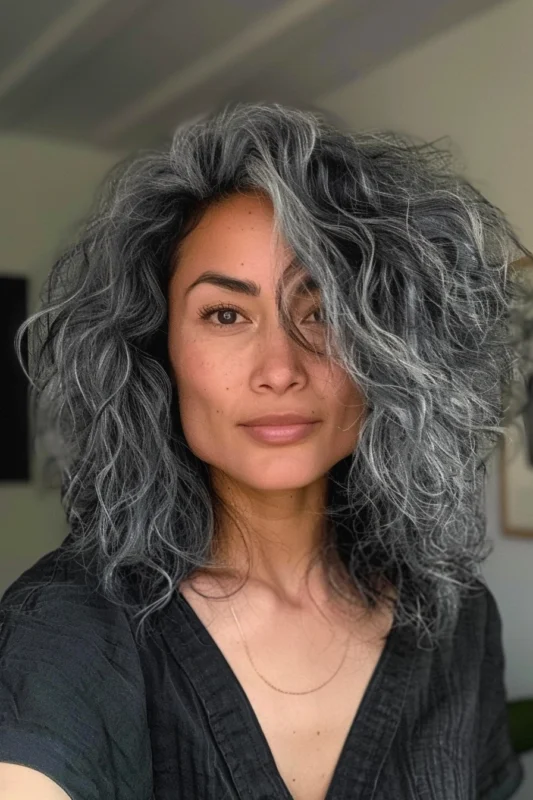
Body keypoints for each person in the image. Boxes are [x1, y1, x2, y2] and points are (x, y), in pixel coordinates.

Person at [0, 101, 531, 800]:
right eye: (226, 314)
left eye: (323, 312)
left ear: (392, 352)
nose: (279, 367)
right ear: (157, 351)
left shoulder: (456, 617)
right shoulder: (69, 624)